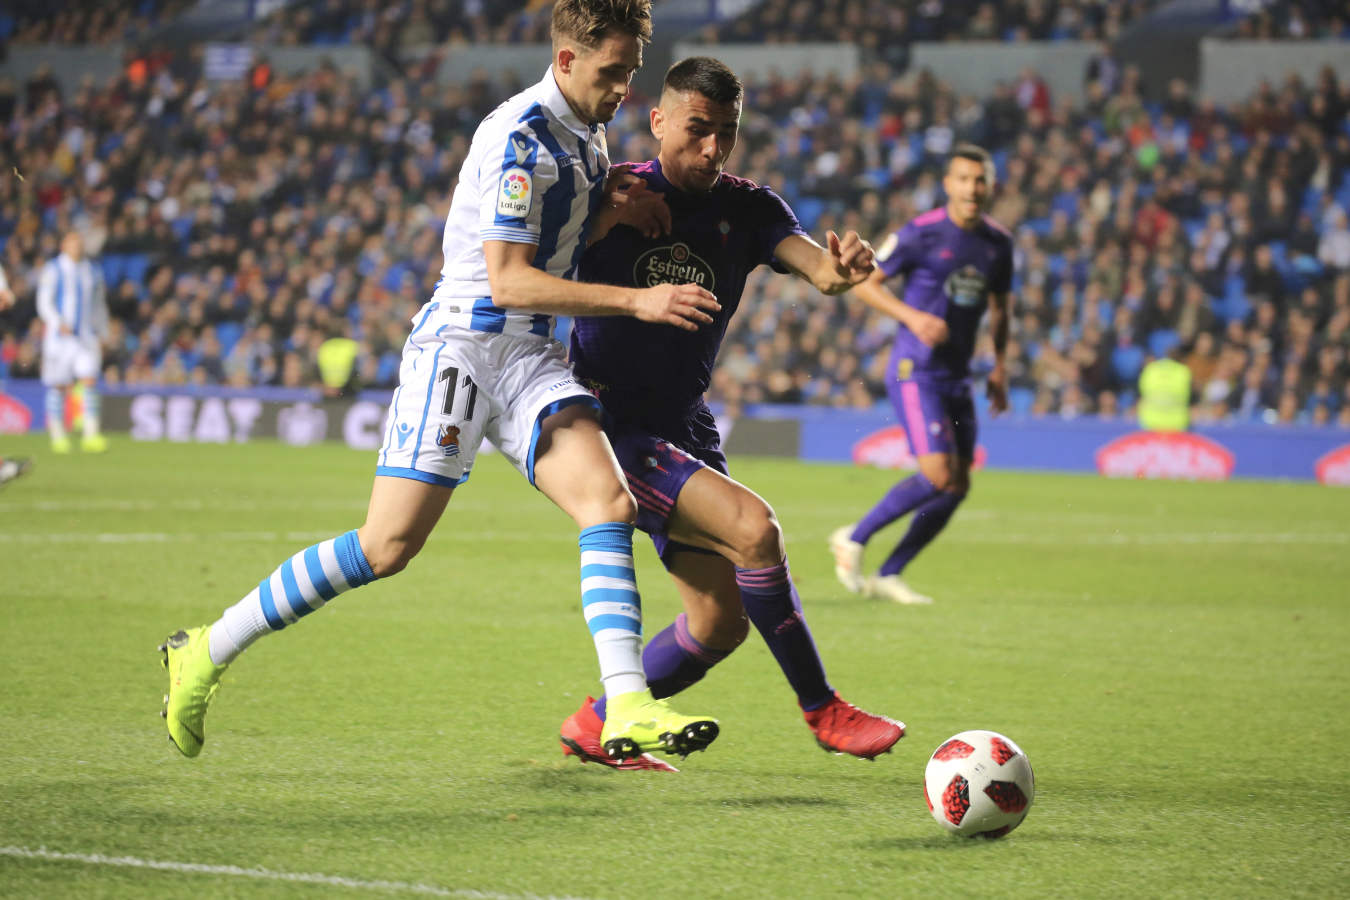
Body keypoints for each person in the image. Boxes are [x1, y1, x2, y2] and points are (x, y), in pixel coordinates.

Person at [160, 0, 726, 765]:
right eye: (611, 72)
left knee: (609, 502)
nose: (623, 88)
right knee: (387, 545)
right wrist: (637, 300)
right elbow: (509, 281)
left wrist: (613, 211)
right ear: (566, 61)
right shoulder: (519, 137)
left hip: (528, 357)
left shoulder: (587, 136)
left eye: (630, 71)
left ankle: (626, 704)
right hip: (462, 348)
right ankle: (206, 648)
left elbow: (559, 238)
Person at [557, 56, 904, 772]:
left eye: (727, 132)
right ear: (658, 121)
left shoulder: (749, 208)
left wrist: (842, 271)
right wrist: (604, 217)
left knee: (718, 624)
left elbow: (818, 269)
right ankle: (824, 710)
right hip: (609, 425)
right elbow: (530, 267)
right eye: (697, 129)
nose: (713, 148)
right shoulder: (611, 188)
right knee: (755, 529)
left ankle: (595, 725)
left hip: (685, 424)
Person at [830, 144, 1013, 606]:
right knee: (936, 474)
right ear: (948, 184)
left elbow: (1000, 308)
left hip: (959, 375)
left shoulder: (998, 243)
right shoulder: (921, 233)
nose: (972, 188)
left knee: (958, 485)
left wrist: (1000, 365)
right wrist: (912, 318)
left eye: (980, 180)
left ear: (990, 187)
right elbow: (864, 284)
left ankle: (890, 573)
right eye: (964, 179)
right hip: (916, 370)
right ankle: (854, 537)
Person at [37, 231, 109, 454]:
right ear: (64, 245)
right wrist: (56, 322)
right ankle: (58, 435)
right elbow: (44, 302)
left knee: (90, 379)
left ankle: (91, 434)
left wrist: (103, 331)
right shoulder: (53, 269)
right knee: (59, 386)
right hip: (60, 339)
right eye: (72, 242)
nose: (77, 246)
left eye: (79, 242)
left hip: (85, 337)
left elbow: (99, 304)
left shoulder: (92, 271)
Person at [1138, 343, 1192, 431]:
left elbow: (1142, 393)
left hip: (1150, 422)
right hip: (1177, 424)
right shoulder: (1184, 371)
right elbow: (1190, 396)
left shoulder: (1150, 369)